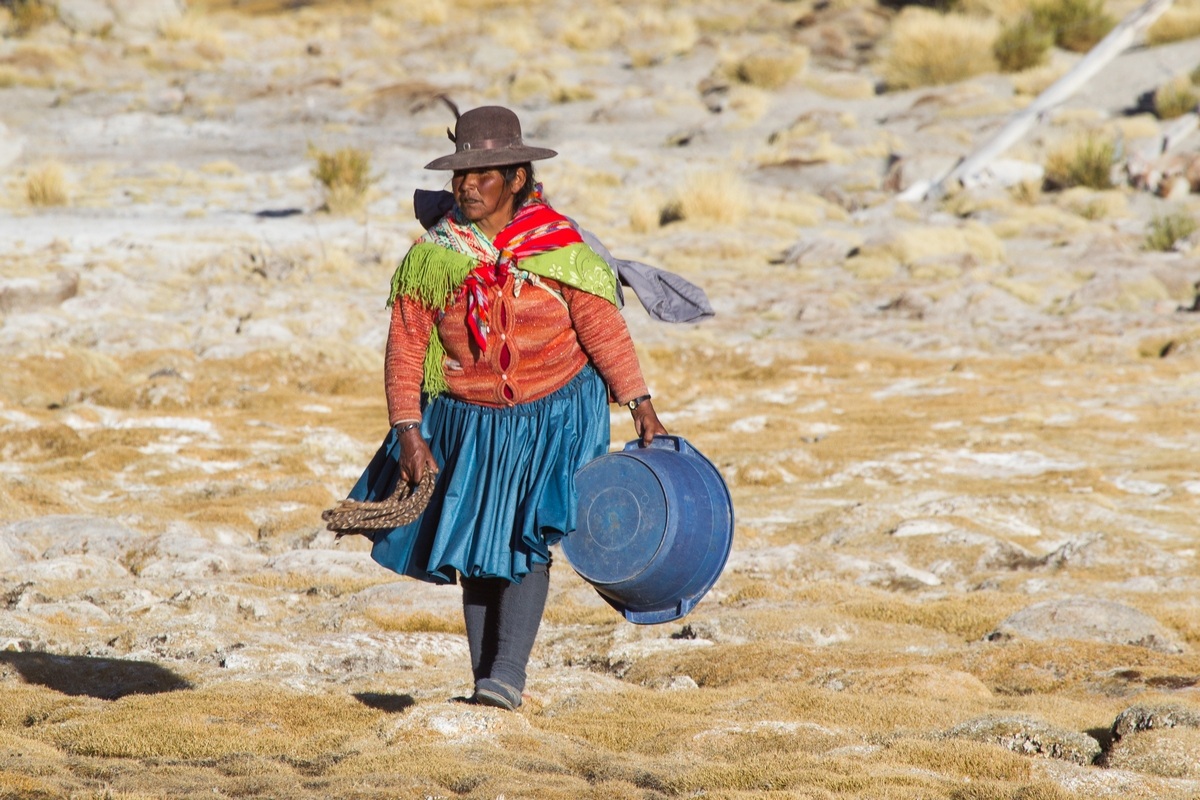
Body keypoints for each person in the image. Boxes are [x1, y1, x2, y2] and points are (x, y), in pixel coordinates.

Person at [360, 105, 668, 710]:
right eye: (461, 177)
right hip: (468, 418)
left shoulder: (561, 247)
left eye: (485, 174)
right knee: (477, 545)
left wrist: (641, 405)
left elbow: (601, 328)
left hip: (554, 412)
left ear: (518, 178)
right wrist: (408, 432)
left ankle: (506, 677)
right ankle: (485, 685)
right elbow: (405, 348)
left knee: (526, 535)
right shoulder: (434, 257)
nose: (468, 186)